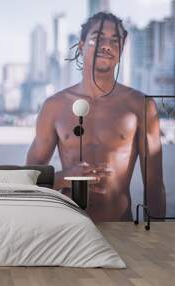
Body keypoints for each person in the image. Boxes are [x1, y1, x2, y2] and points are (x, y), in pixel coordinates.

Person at [26, 12, 166, 221]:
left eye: (114, 41)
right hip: (69, 232)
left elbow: (154, 186)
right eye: (98, 39)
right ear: (81, 46)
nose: (107, 46)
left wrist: (156, 242)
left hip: (121, 230)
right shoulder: (54, 107)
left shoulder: (141, 106)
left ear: (120, 51)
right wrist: (61, 178)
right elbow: (27, 179)